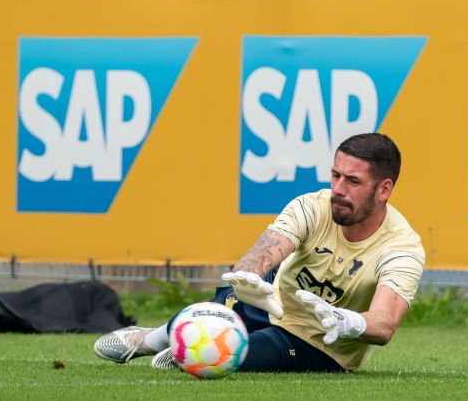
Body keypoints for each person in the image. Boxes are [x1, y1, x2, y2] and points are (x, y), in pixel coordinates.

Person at [93, 133, 425, 372]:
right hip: (273, 302)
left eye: (353, 181)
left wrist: (348, 320)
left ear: (384, 189)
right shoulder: (313, 206)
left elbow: (383, 325)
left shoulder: (402, 248)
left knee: (234, 358)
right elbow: (265, 250)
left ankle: (189, 348)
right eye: (335, 175)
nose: (338, 189)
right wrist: (249, 275)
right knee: (233, 291)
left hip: (320, 346)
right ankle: (154, 338)